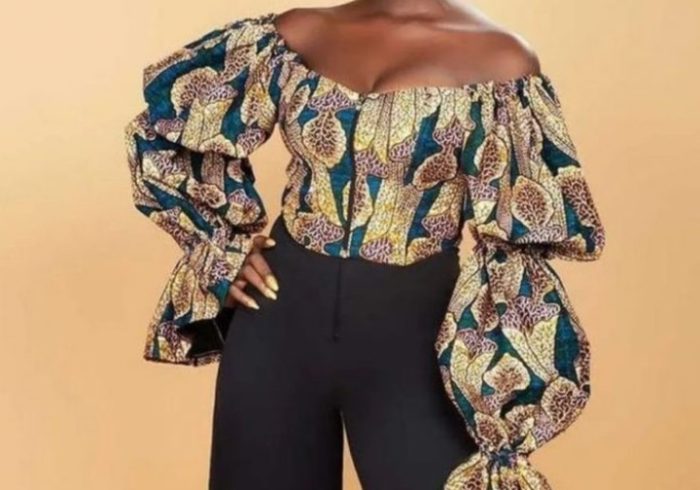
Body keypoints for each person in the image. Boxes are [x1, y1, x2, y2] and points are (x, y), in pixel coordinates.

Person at [123, 2, 606, 489]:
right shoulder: (297, 34)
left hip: (414, 342)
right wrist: (221, 253)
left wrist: (504, 403)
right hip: (275, 328)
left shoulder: (501, 60)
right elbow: (161, 131)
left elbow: (516, 247)